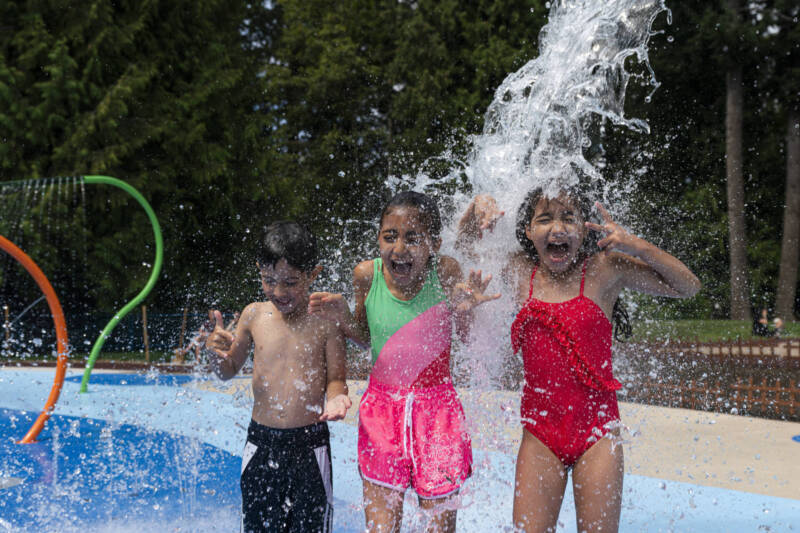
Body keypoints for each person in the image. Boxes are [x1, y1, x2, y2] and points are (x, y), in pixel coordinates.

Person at [458, 187, 701, 533]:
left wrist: (637, 246)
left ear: (585, 230)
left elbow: (688, 287)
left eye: (568, 218)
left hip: (598, 433)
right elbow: (465, 247)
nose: (558, 228)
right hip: (541, 434)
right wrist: (477, 208)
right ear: (528, 231)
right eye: (545, 219)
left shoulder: (605, 269)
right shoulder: (516, 271)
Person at [308, 191, 499, 533]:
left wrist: (465, 312)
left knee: (439, 528)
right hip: (382, 413)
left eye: (413, 239)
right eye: (390, 237)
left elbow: (465, 336)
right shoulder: (367, 275)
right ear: (378, 239)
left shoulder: (444, 271)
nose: (399, 249)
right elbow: (367, 337)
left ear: (434, 244)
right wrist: (342, 317)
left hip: (438, 414)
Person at [204, 221, 351, 533]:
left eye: (290, 282)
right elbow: (227, 370)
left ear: (313, 274)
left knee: (310, 526)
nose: (278, 292)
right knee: (257, 525)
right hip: (260, 442)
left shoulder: (325, 322)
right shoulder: (254, 315)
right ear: (259, 270)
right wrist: (213, 354)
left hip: (309, 445)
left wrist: (337, 397)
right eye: (269, 280)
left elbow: (336, 377)